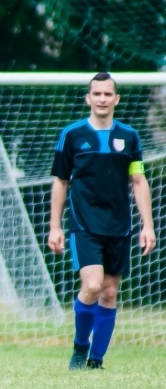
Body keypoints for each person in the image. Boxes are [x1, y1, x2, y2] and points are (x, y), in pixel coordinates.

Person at [48, 72, 156, 371]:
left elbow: (138, 181)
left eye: (108, 94)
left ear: (116, 99)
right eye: (97, 94)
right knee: (93, 285)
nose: (102, 99)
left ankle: (96, 360)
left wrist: (147, 225)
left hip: (119, 225)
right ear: (88, 98)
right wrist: (55, 226)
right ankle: (80, 348)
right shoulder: (72, 135)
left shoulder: (129, 136)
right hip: (84, 224)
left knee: (109, 292)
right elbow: (60, 181)